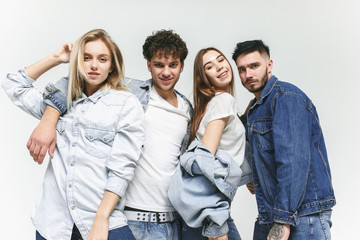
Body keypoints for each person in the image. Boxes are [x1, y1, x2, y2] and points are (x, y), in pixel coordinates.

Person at [25, 29, 193, 240]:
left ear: (182, 66)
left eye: (173, 65)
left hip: (170, 219)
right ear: (149, 66)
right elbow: (77, 81)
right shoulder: (128, 93)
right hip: (128, 213)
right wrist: (49, 117)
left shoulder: (187, 109)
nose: (166, 72)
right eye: (159, 65)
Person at [2, 29, 145, 240]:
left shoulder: (126, 103)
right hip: (53, 225)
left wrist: (102, 218)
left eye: (102, 59)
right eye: (86, 58)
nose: (94, 65)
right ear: (78, 61)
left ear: (112, 65)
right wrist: (56, 58)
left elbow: (122, 168)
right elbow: (14, 84)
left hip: (100, 220)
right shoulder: (58, 103)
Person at [232, 40, 336, 240]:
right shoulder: (256, 108)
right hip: (273, 213)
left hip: (303, 215)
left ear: (269, 65)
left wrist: (283, 220)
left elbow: (293, 161)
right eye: (242, 69)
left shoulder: (286, 97)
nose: (248, 75)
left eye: (254, 66)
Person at [168, 47, 252, 240]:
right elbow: (206, 161)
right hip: (209, 212)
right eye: (210, 66)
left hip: (196, 211)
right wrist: (216, 224)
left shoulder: (209, 105)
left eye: (221, 60)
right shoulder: (223, 100)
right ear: (203, 77)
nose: (219, 67)